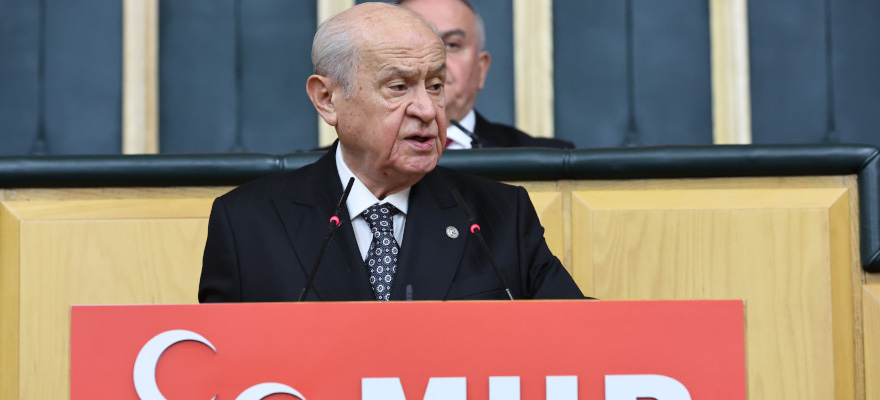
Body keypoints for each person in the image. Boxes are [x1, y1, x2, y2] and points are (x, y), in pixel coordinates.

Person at [198, 3, 584, 302]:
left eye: (435, 85)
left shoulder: (501, 215)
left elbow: (578, 337)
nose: (427, 109)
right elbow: (220, 362)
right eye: (398, 87)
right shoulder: (246, 223)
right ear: (327, 99)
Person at [398, 0, 574, 150]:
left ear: (481, 68)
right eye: (416, 45)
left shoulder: (551, 162)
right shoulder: (377, 157)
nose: (436, 64)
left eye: (452, 45)